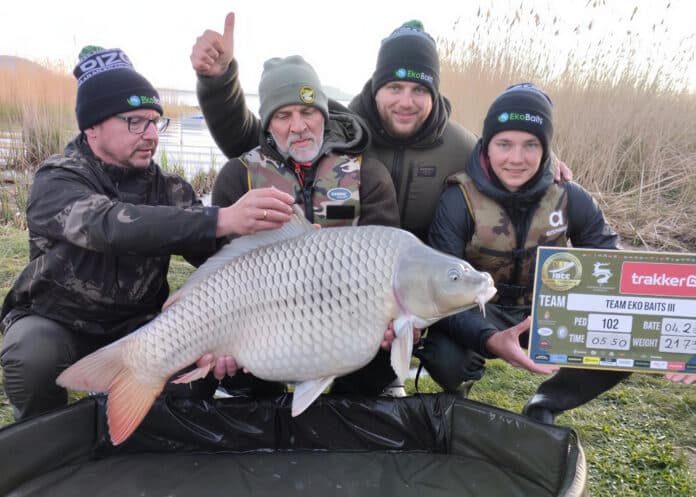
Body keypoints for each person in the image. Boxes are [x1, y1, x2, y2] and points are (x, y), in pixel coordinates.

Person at [0, 46, 296, 421]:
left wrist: (291, 256)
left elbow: (224, 258)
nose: (151, 135)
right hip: (57, 321)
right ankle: (46, 442)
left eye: (156, 122)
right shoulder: (57, 178)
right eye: (134, 122)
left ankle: (143, 441)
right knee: (31, 355)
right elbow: (107, 225)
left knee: (193, 380)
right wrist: (221, 217)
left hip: (139, 326)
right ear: (91, 126)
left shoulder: (170, 189)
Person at [421, 82, 693, 424]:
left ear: (547, 149)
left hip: (547, 313)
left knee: (621, 350)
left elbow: (619, 272)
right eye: (504, 144)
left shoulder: (572, 197)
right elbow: (440, 294)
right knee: (445, 356)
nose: (516, 158)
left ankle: (547, 402)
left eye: (530, 145)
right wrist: (489, 338)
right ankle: (456, 394)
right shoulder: (457, 198)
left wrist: (677, 349)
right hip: (479, 309)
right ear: (487, 145)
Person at [205, 54, 401, 397]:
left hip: (348, 318)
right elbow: (218, 265)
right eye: (283, 115)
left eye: (308, 111)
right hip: (260, 319)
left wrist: (390, 321)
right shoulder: (238, 176)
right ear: (267, 123)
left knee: (379, 354)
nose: (299, 126)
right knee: (231, 369)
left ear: (323, 114)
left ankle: (374, 395)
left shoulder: (367, 173)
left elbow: (389, 264)